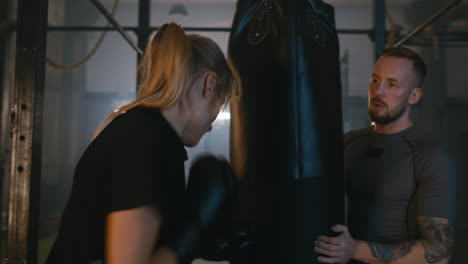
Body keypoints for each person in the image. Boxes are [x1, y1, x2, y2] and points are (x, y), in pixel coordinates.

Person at [45, 23, 241, 264]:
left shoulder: (155, 137)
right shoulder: (143, 140)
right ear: (208, 85)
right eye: (218, 103)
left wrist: (201, 241)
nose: (212, 124)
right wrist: (193, 230)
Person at [314, 47, 455, 264]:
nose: (378, 91)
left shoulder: (429, 156)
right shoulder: (349, 143)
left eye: (392, 84)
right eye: (375, 80)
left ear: (414, 96)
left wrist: (355, 250)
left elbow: (437, 253)